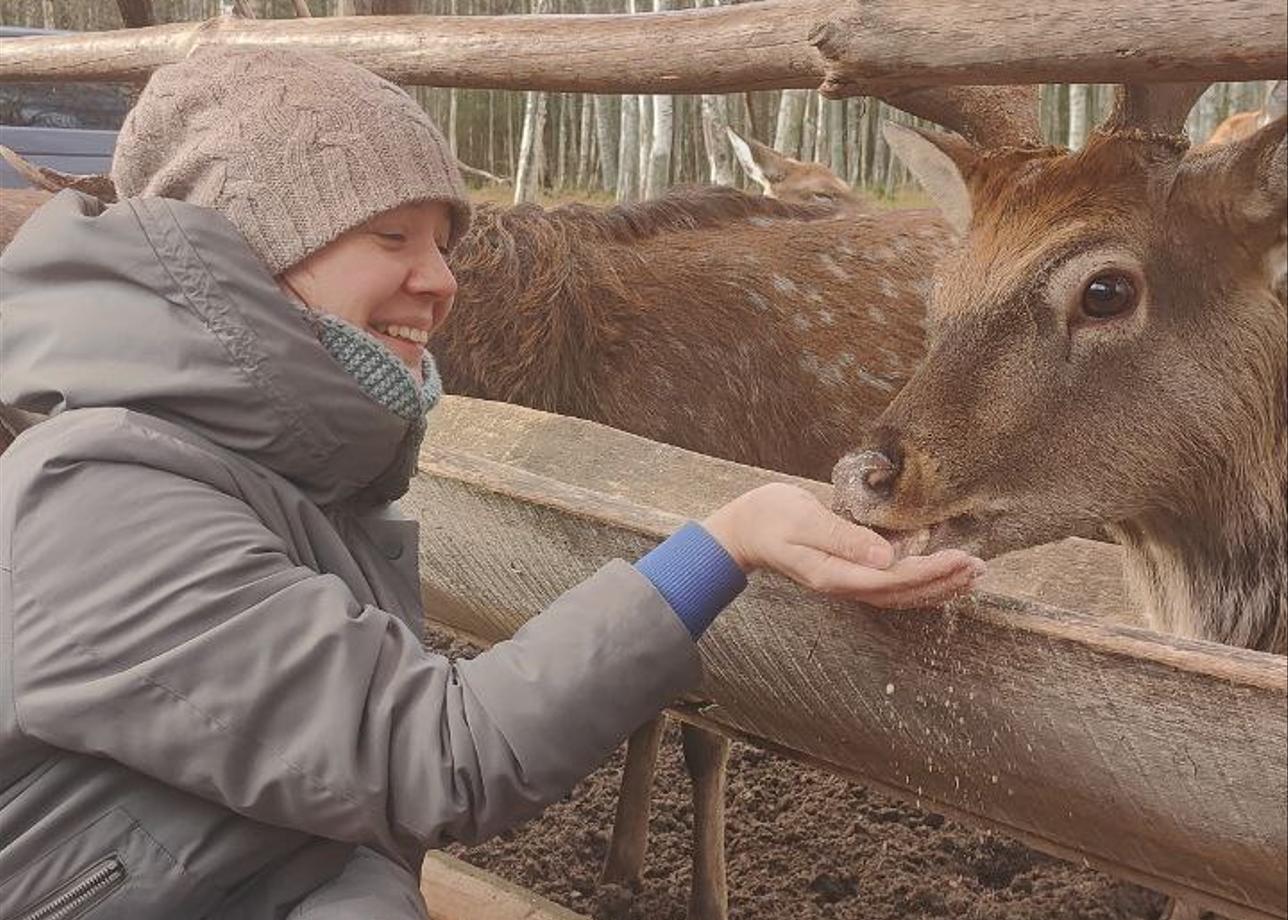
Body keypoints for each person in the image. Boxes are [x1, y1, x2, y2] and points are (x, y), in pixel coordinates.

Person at [0, 46, 985, 920]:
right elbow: (437, 753)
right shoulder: (105, 497)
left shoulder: (254, 459)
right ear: (248, 247)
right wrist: (718, 546)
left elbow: (310, 805)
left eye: (442, 241)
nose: (441, 279)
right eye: (391, 237)